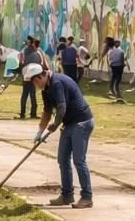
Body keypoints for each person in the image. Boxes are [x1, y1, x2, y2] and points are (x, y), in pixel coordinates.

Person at [23, 62, 95, 209]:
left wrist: (55, 125)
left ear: (40, 77)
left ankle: (87, 197)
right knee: (63, 159)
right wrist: (40, 132)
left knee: (79, 161)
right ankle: (67, 195)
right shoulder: (46, 89)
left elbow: (62, 107)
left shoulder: (57, 83)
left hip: (81, 122)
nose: (35, 85)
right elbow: (47, 112)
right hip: (69, 124)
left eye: (34, 82)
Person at [19, 37, 44, 119]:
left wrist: (22, 71)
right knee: (32, 94)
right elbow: (41, 64)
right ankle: (33, 114)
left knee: (25, 94)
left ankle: (22, 113)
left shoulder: (24, 51)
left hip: (26, 75)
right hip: (33, 76)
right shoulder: (37, 52)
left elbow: (20, 62)